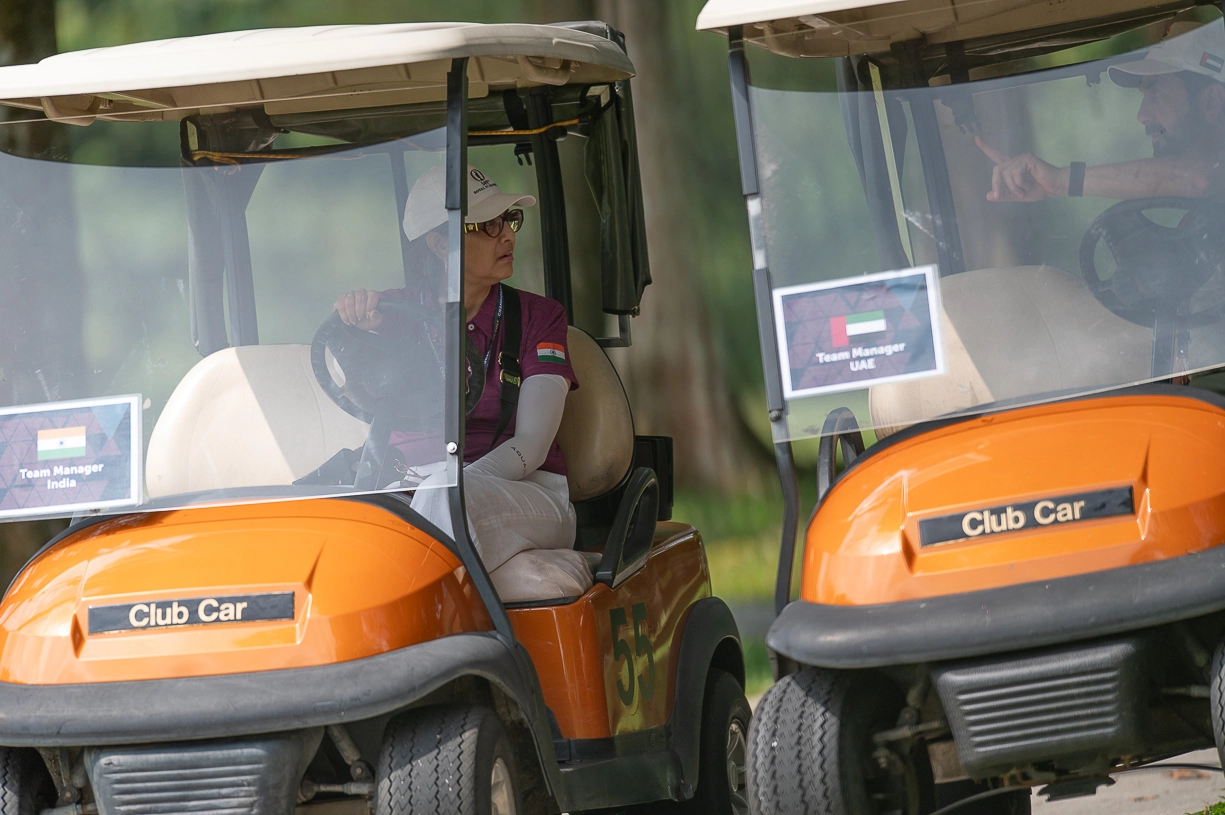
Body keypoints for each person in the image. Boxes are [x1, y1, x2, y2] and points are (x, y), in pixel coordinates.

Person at [334, 165, 594, 603]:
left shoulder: (539, 317)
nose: (508, 236)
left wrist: (448, 486)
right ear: (438, 243)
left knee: (437, 507)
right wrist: (357, 327)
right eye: (490, 226)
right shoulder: (388, 314)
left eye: (509, 220)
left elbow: (531, 445)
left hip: (522, 492)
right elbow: (349, 389)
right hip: (411, 490)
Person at [975, 20, 1225, 202]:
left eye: (1157, 92)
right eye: (1144, 95)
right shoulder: (1203, 214)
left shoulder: (1210, 177)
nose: (1142, 116)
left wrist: (1061, 180)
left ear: (1211, 102)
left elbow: (1201, 176)